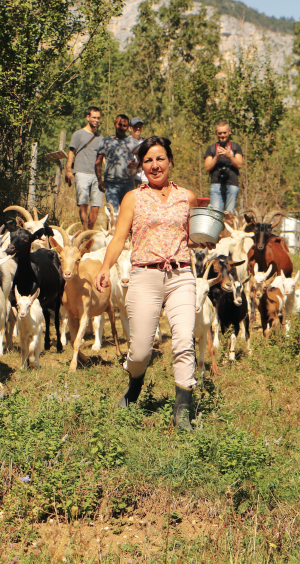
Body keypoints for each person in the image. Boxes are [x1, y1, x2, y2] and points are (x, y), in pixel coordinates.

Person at [94, 136, 199, 431]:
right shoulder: (133, 198)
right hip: (144, 275)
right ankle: (135, 381)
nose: (155, 165)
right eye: (149, 160)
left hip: (181, 275)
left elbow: (191, 237)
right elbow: (118, 239)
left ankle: (182, 414)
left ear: (170, 162)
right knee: (140, 350)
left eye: (160, 159)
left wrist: (204, 239)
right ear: (142, 166)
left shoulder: (186, 197)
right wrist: (105, 266)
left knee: (182, 341)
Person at [66, 106, 103, 229]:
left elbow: (103, 158)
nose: (96, 120)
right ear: (88, 117)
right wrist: (68, 170)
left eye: (98, 118)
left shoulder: (100, 138)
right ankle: (85, 230)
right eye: (94, 117)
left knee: (96, 205)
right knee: (83, 203)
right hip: (81, 172)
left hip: (96, 175)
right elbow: (71, 152)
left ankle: (89, 232)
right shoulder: (78, 134)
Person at [95, 114, 140, 209]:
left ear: (128, 127)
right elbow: (98, 161)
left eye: (124, 126)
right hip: (111, 183)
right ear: (115, 124)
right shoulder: (106, 141)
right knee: (112, 213)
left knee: (128, 212)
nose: (122, 127)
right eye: (120, 124)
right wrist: (99, 180)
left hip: (128, 182)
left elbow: (142, 160)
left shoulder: (133, 142)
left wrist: (136, 165)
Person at [204, 121, 243, 213]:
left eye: (224, 132)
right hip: (216, 183)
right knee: (216, 214)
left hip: (232, 183)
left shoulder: (236, 147)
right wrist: (217, 157)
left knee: (230, 214)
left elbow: (239, 165)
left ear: (229, 131)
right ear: (216, 133)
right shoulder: (211, 148)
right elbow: (207, 168)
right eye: (220, 133)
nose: (222, 135)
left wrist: (229, 156)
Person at [129, 117, 148, 188]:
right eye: (135, 127)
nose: (138, 129)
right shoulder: (125, 142)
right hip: (129, 179)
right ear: (130, 128)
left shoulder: (145, 143)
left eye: (139, 127)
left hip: (144, 179)